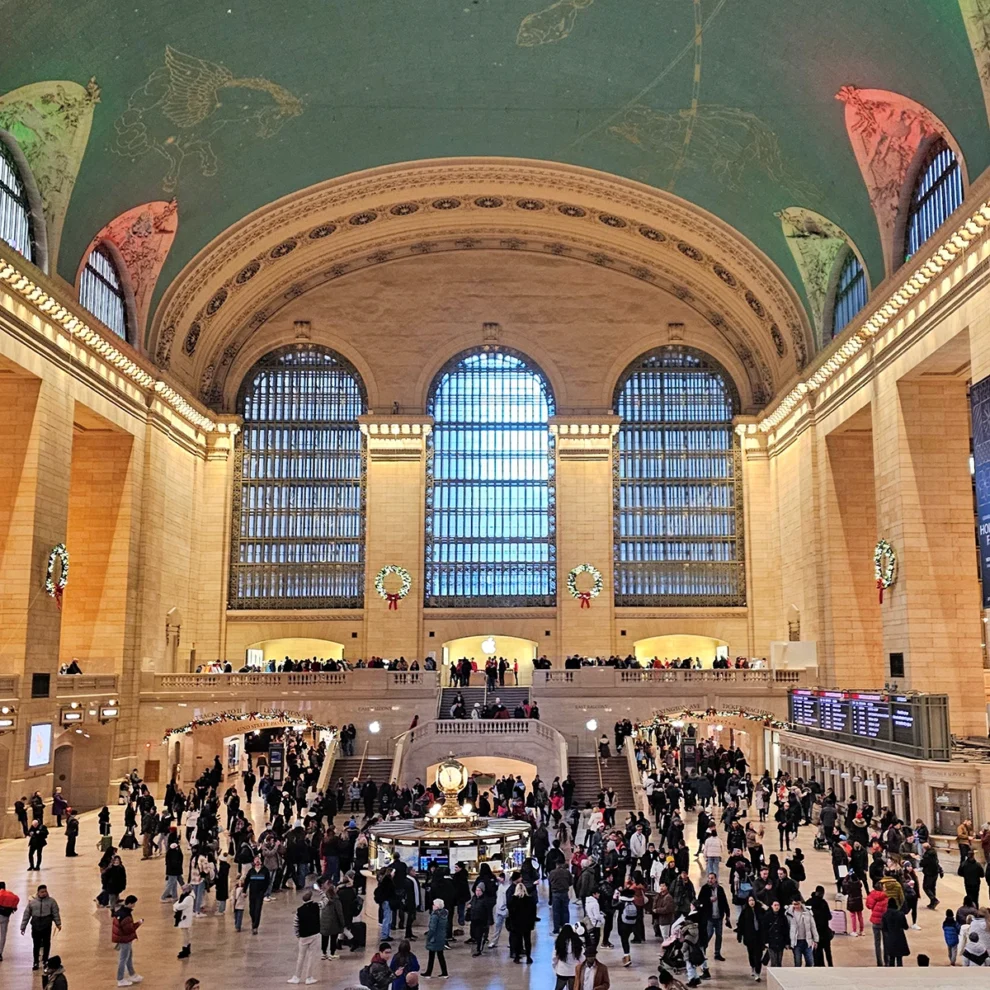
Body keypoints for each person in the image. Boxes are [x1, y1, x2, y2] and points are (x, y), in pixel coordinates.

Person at [20, 884, 61, 971]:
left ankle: (45, 960)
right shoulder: (32, 903)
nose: (44, 893)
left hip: (46, 926)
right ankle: (36, 962)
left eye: (45, 891)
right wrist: (23, 927)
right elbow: (26, 915)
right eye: (42, 892)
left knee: (47, 944)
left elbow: (55, 913)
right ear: (38, 893)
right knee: (36, 945)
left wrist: (58, 923)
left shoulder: (51, 902)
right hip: (36, 926)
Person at [288, 889, 321, 985]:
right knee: (311, 957)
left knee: (301, 957)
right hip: (314, 934)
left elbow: (295, 924)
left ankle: (296, 977)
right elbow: (325, 901)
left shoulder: (299, 910)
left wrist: (298, 935)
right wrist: (321, 891)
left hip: (303, 936)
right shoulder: (316, 906)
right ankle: (309, 977)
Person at [111, 894, 143, 987]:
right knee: (123, 959)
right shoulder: (126, 916)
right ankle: (120, 979)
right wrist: (139, 923)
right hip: (125, 939)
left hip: (122, 938)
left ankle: (132, 974)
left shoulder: (120, 912)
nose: (134, 906)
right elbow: (129, 929)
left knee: (129, 957)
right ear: (130, 903)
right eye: (134, 904)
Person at [735, 894, 768, 982]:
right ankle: (752, 966)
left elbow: (766, 920)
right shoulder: (745, 912)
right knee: (751, 954)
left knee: (758, 956)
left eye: (753, 900)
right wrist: (739, 935)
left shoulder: (760, 910)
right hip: (749, 937)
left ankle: (757, 973)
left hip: (759, 937)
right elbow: (741, 925)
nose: (752, 902)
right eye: (750, 900)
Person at [507, 881, 536, 964]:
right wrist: (532, 923)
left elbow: (511, 913)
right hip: (527, 924)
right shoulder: (530, 899)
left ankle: (517, 957)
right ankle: (528, 957)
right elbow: (533, 913)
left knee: (517, 940)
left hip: (516, 924)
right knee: (527, 941)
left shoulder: (513, 900)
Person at [785, 897, 817, 967]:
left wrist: (816, 940)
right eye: (794, 904)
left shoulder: (807, 912)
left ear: (801, 903)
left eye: (798, 904)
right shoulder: (788, 914)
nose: (796, 906)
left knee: (810, 961)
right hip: (796, 942)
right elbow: (786, 928)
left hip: (807, 941)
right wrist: (787, 942)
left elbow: (813, 926)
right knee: (798, 962)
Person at [245, 855, 271, 934]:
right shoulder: (251, 871)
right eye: (255, 860)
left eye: (258, 859)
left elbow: (268, 882)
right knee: (251, 910)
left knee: (257, 910)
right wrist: (244, 891)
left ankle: (255, 926)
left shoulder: (265, 871)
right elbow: (247, 881)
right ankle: (253, 921)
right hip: (252, 893)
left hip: (260, 893)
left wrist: (264, 891)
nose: (257, 861)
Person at [552, 924, 584, 989]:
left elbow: (554, 957)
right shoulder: (577, 942)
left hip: (562, 970)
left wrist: (555, 966)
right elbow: (582, 957)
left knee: (559, 988)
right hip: (573, 971)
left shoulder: (559, 942)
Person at [423, 899, 449, 978]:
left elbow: (432, 929)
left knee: (431, 956)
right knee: (440, 955)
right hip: (441, 937)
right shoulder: (444, 914)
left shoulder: (435, 915)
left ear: (437, 906)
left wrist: (428, 937)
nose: (432, 906)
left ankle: (428, 973)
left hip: (434, 939)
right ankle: (444, 973)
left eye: (434, 905)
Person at [320, 882, 345, 960]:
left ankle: (324, 953)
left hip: (324, 923)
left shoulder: (324, 899)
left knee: (324, 938)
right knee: (333, 939)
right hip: (334, 923)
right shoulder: (336, 901)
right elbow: (339, 913)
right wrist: (342, 923)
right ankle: (332, 954)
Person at [881, 899, 910, 967]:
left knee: (891, 958)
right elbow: (906, 927)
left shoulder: (885, 915)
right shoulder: (900, 914)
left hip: (890, 938)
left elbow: (884, 928)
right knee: (899, 958)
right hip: (900, 937)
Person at [0, 881, 19, 962]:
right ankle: (0, 953)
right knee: (2, 935)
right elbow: (16, 900)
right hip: (4, 917)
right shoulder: (10, 894)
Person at [469, 883, 489, 956]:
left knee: (479, 935)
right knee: (474, 934)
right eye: (476, 890)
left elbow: (487, 911)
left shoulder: (485, 900)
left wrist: (488, 922)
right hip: (474, 919)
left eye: (479, 890)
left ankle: (479, 949)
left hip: (481, 921)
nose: (477, 892)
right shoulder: (474, 898)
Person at [174, 885, 194, 958]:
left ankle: (185, 948)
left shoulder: (188, 898)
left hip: (185, 918)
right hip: (183, 917)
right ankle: (186, 947)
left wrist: (176, 907)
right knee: (185, 933)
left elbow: (180, 906)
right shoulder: (184, 896)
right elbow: (177, 904)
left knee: (185, 934)